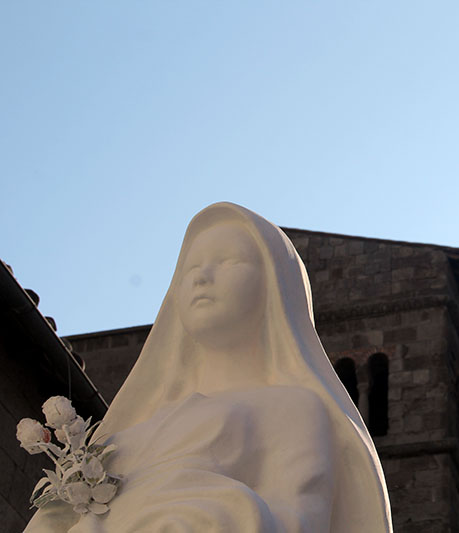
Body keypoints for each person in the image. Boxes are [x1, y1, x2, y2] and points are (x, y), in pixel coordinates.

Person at [25, 202, 393, 532]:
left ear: (274, 288)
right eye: (191, 268)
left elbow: (299, 520)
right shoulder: (121, 437)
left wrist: (190, 508)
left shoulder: (294, 409)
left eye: (230, 261)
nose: (202, 277)